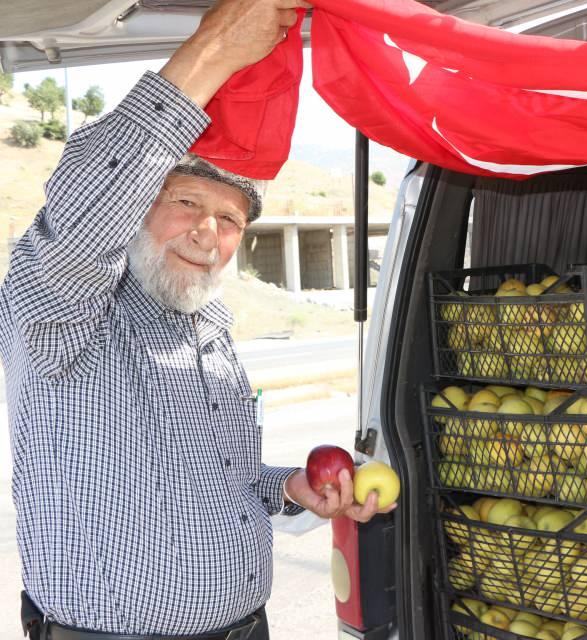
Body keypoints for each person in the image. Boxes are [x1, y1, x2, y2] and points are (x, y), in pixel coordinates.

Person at [0, 0, 395, 637]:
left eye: (232, 219)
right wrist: (212, 52)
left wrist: (289, 488)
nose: (209, 232)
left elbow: (221, 481)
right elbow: (81, 212)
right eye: (186, 201)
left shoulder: (208, 329)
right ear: (135, 207)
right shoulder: (60, 314)